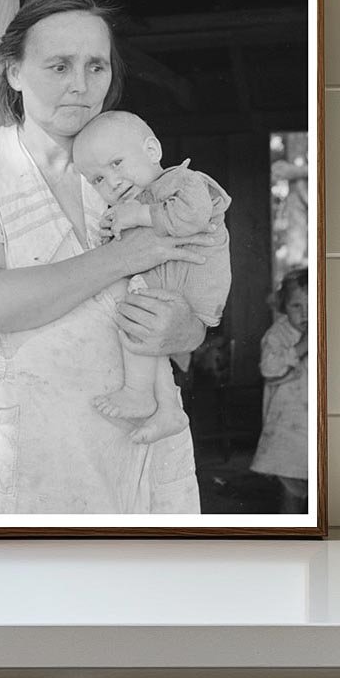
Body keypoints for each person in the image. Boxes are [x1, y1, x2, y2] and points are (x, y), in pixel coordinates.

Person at [0, 0, 215, 514]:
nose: (80, 86)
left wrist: (188, 330)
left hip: (148, 431)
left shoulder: (134, 165)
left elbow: (191, 293)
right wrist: (126, 256)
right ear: (13, 72)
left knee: (156, 590)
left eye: (96, 67)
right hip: (37, 444)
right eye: (58, 66)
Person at [72, 111, 231, 445]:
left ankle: (138, 393)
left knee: (134, 315)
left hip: (194, 283)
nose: (112, 181)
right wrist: (112, 229)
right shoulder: (139, 200)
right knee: (141, 326)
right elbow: (130, 251)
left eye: (117, 163)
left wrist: (138, 215)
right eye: (98, 179)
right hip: (173, 282)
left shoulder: (183, 181)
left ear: (152, 150)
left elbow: (194, 215)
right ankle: (168, 408)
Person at [250, 267, 309, 513]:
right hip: (287, 426)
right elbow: (269, 368)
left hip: (312, 423)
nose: (305, 313)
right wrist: (301, 347)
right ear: (284, 306)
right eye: (297, 306)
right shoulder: (277, 334)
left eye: (311, 304)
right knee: (290, 482)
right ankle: (292, 528)